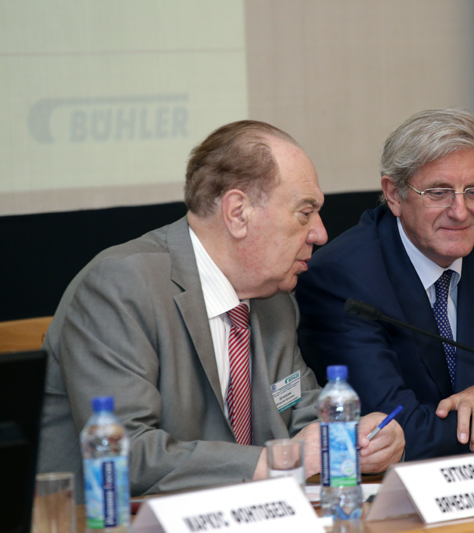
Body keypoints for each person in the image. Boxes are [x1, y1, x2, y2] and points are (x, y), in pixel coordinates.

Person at [37, 120, 404, 501]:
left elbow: (297, 408)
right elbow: (126, 451)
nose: (320, 234)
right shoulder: (121, 285)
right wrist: (272, 462)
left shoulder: (274, 299)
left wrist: (357, 436)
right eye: (304, 212)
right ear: (238, 212)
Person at [294, 108, 474, 460]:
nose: (460, 211)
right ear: (394, 194)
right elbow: (394, 428)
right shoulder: (342, 279)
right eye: (438, 192)